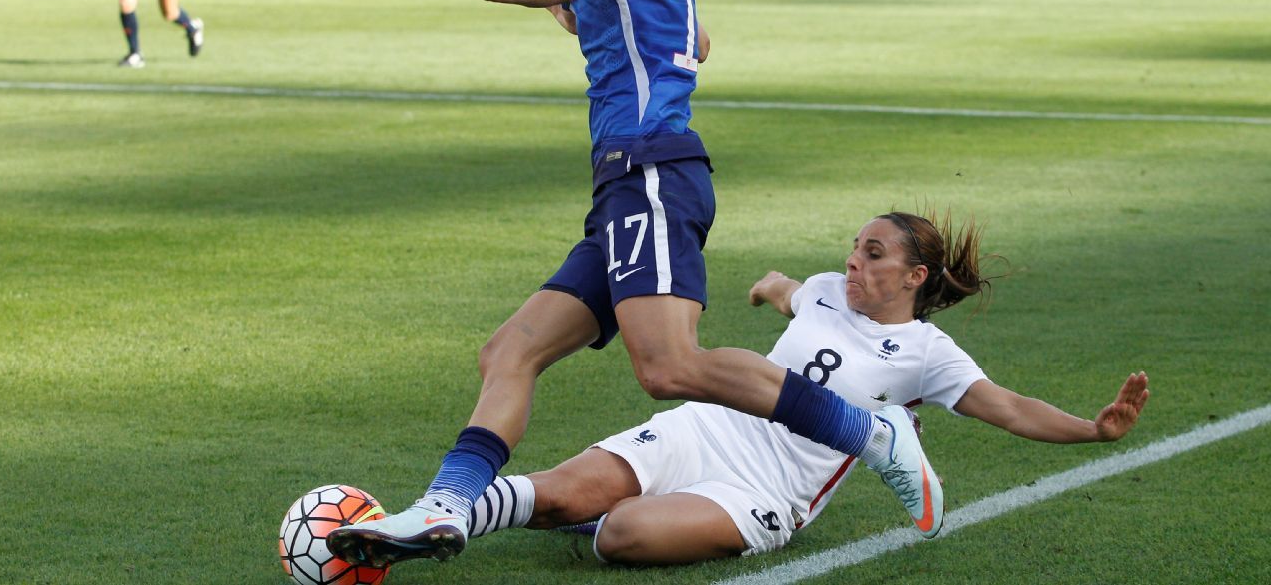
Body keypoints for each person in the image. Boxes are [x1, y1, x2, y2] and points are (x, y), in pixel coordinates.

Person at [329, 0, 944, 569]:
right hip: (627, 183)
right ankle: (445, 504)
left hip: (652, 170)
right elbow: (695, 40)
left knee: (669, 365)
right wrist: (585, 6)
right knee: (509, 351)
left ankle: (869, 431)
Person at [455, 211, 1151, 565]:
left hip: (764, 493)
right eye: (855, 246)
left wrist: (1093, 428)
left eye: (873, 254)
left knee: (622, 534)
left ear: (914, 277)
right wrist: (767, 287)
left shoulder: (927, 353)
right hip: (703, 428)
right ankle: (436, 521)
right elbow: (788, 289)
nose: (853, 259)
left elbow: (1008, 407)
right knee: (555, 491)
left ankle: (597, 516)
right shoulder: (824, 291)